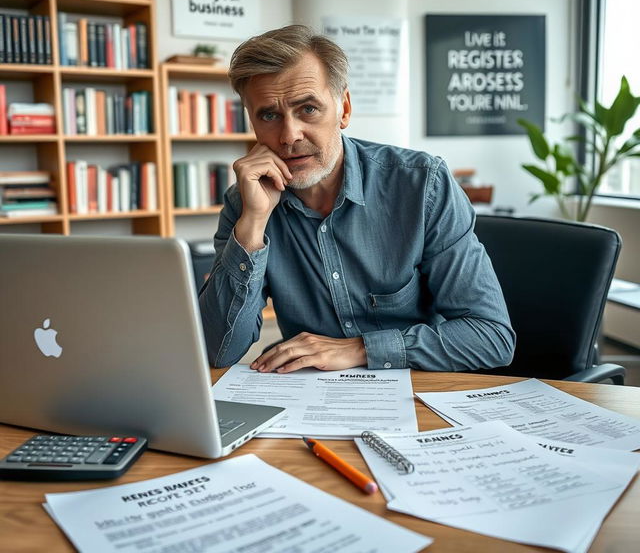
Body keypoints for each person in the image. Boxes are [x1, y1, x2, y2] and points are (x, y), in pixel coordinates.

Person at [199, 25, 515, 373]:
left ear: (344, 109)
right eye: (269, 115)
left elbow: (491, 337)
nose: (289, 136)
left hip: (419, 393)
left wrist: (359, 349)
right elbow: (217, 351)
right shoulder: (245, 204)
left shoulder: (423, 184)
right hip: (311, 402)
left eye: (308, 109)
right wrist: (253, 223)